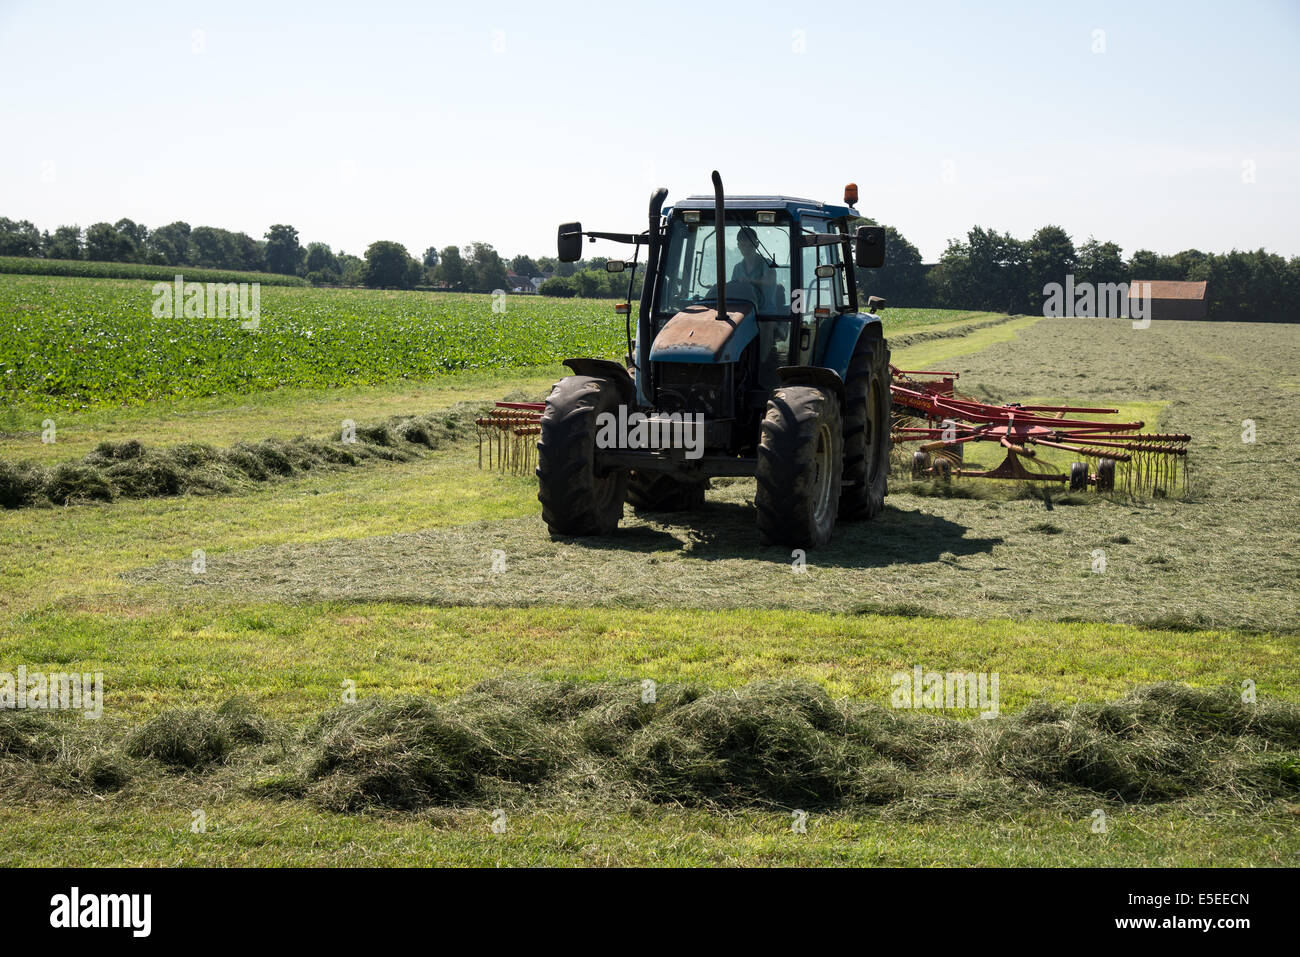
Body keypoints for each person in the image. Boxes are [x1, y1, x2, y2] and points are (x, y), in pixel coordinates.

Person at [729, 226, 776, 311]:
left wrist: (750, 280)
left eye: (750, 245)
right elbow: (733, 289)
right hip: (743, 314)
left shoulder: (767, 263)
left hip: (766, 315)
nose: (746, 249)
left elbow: (770, 281)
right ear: (738, 246)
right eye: (743, 245)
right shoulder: (737, 268)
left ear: (757, 244)